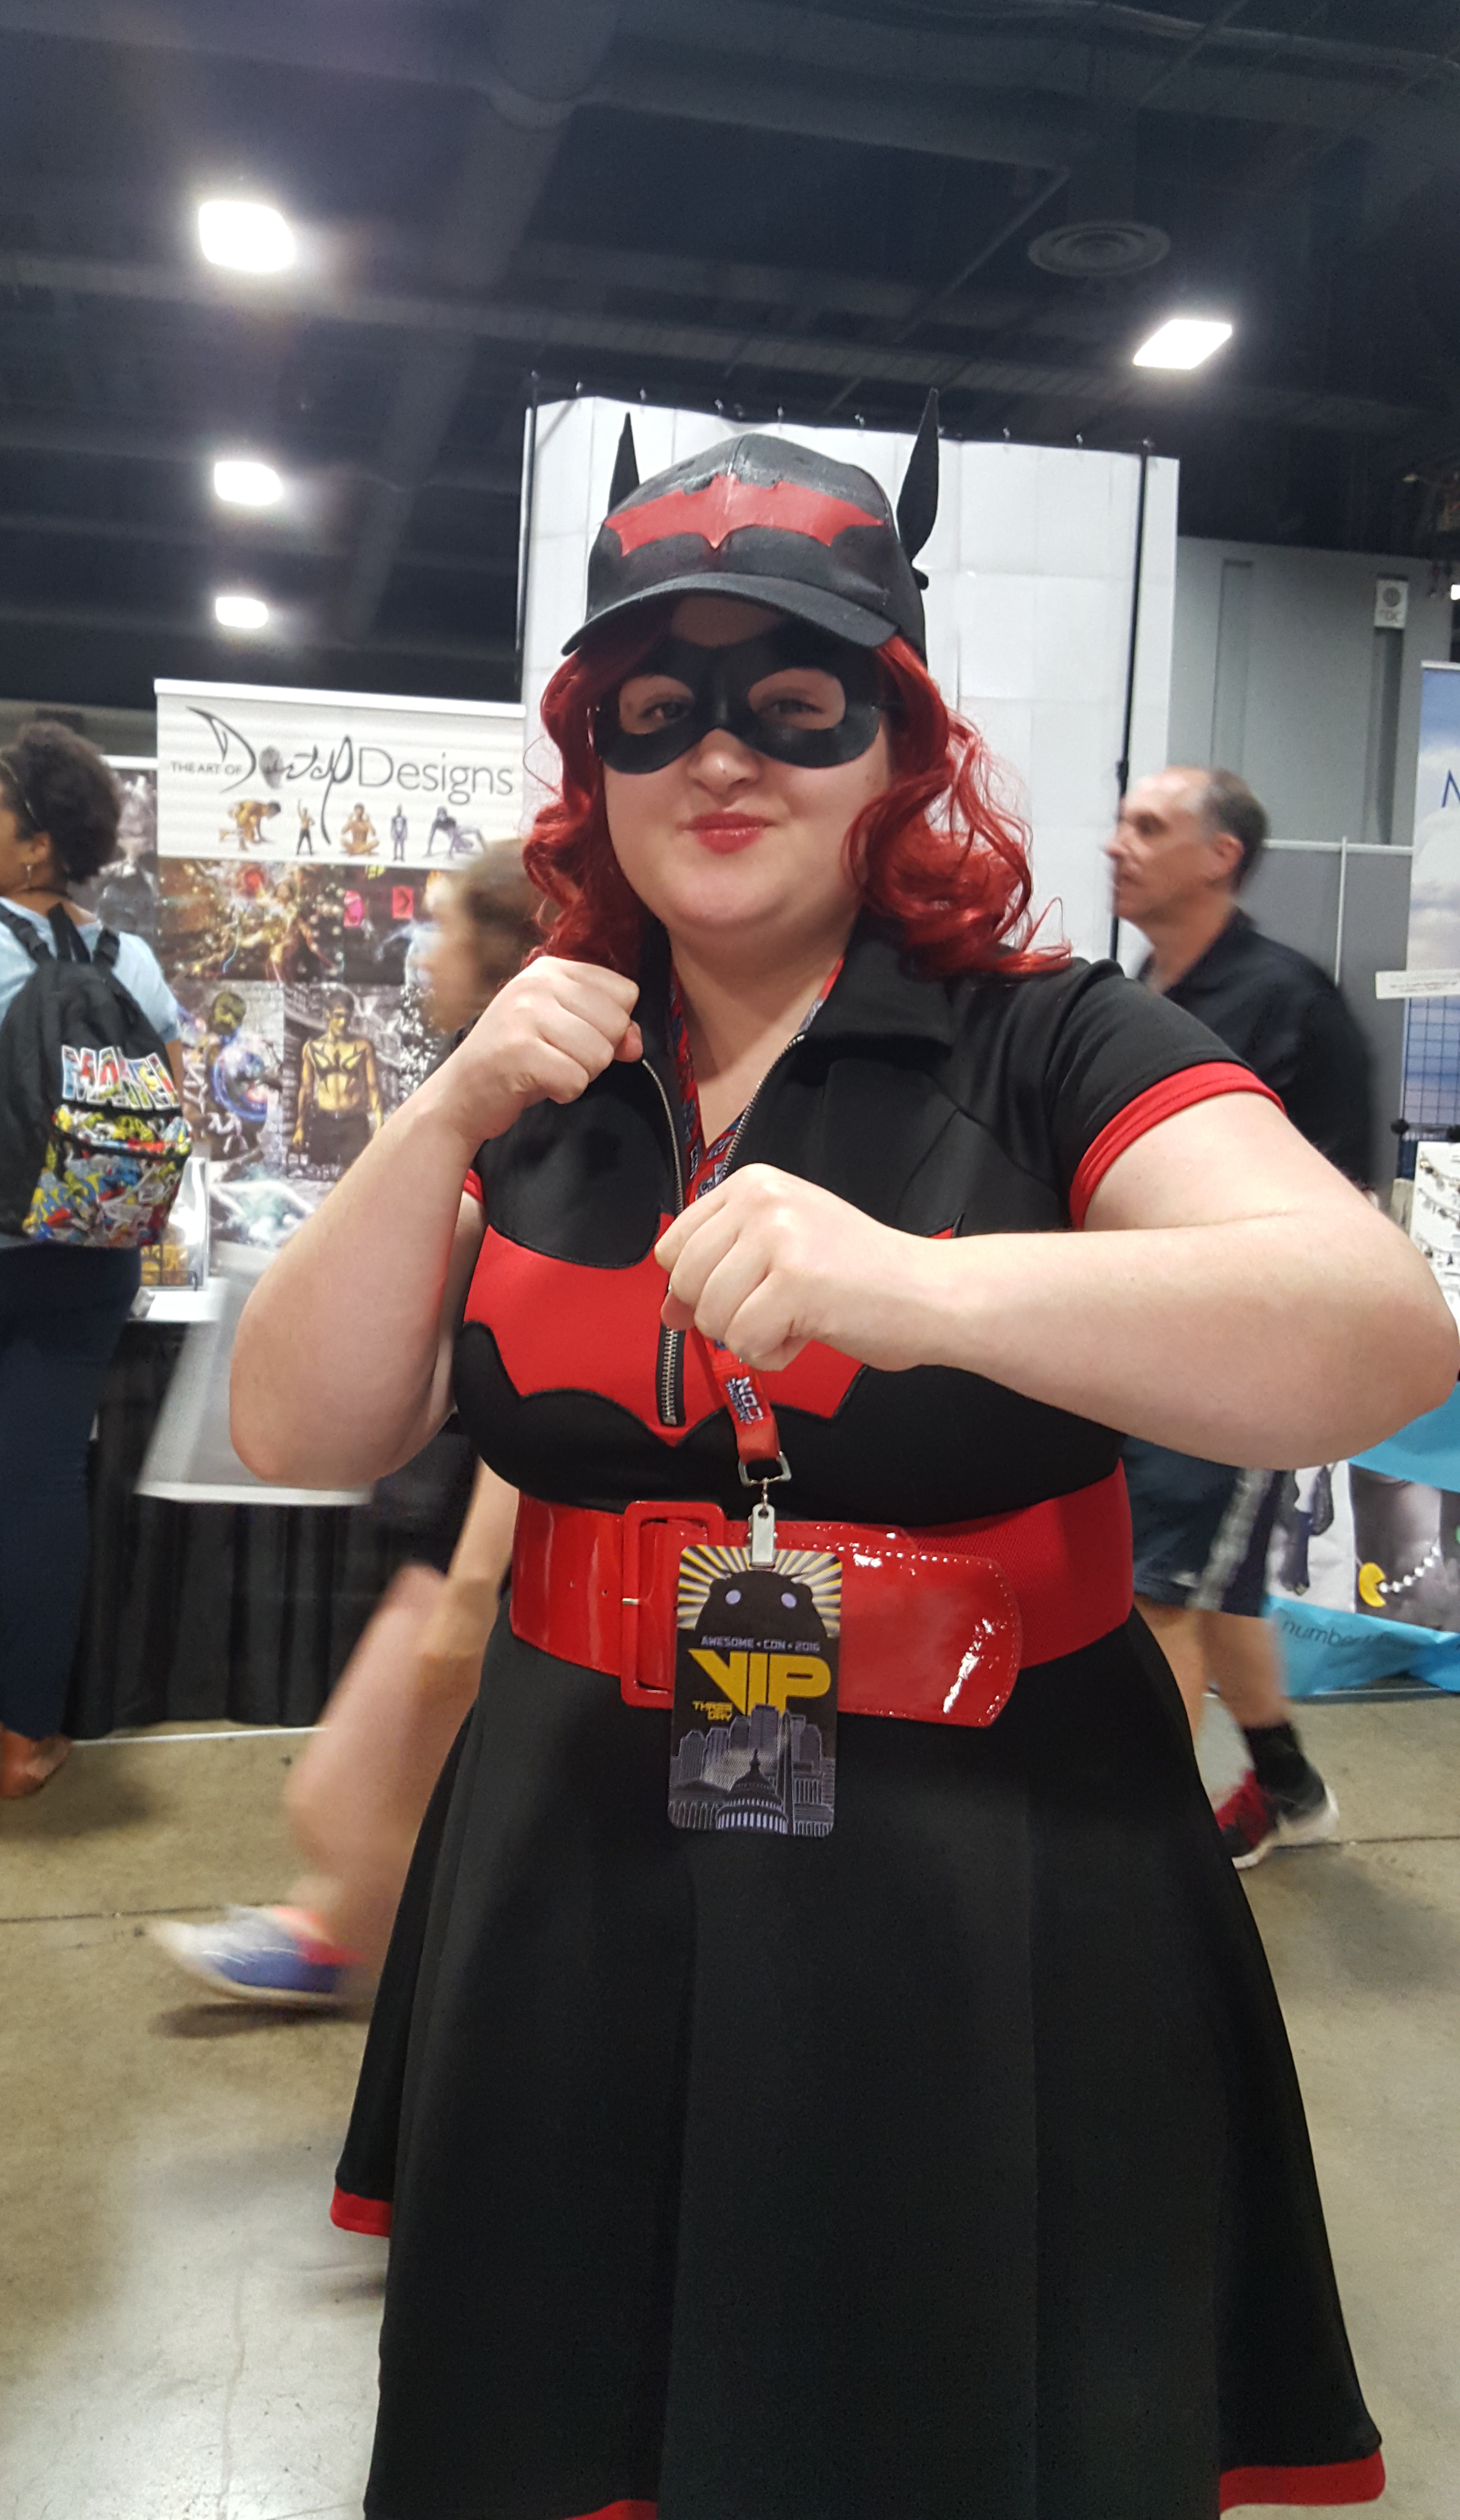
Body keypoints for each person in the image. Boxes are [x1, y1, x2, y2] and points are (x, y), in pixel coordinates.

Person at [230, 423, 1451, 2518]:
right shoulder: (549, 1062)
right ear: (594, 761)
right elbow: (304, 1428)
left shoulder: (1050, 1036)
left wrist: (931, 1287)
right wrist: (438, 1112)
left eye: (793, 700)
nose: (720, 754)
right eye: (656, 708)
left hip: (983, 1872)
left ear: (892, 745)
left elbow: (1374, 1326)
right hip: (575, 1845)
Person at [157, 845, 539, 2003]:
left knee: (367, 1784)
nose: (425, 956)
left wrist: (473, 1583)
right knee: (371, 1782)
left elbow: (538, 1354)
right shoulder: (474, 1090)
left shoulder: (528, 1112)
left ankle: (356, 1939)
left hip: (483, 1510)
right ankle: (347, 1930)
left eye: (446, 928)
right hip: (442, 1500)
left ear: (501, 947)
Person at [1107, 765, 1377, 1865]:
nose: (1118, 842)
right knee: (1208, 1589)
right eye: (1120, 822)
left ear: (1219, 856)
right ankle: (1288, 1788)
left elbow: (1345, 1202)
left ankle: (1146, 1861)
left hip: (1234, 1357)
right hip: (1138, 1339)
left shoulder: (1286, 998)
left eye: (1148, 826)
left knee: (1157, 1597)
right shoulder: (1146, 986)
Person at [0, 722, 182, 1798]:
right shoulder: (130, 958)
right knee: (44, 1481)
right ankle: (27, 1740)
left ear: (36, 846)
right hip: (92, 1254)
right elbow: (175, 1106)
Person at [291, 998, 383, 1173]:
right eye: (338, 1016)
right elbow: (306, 1089)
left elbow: (373, 1086)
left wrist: (379, 1124)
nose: (343, 1022)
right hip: (324, 1122)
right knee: (319, 1175)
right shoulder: (312, 1048)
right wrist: (300, 1127)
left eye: (347, 1017)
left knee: (358, 1175)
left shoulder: (363, 1047)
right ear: (328, 1015)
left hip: (354, 1123)